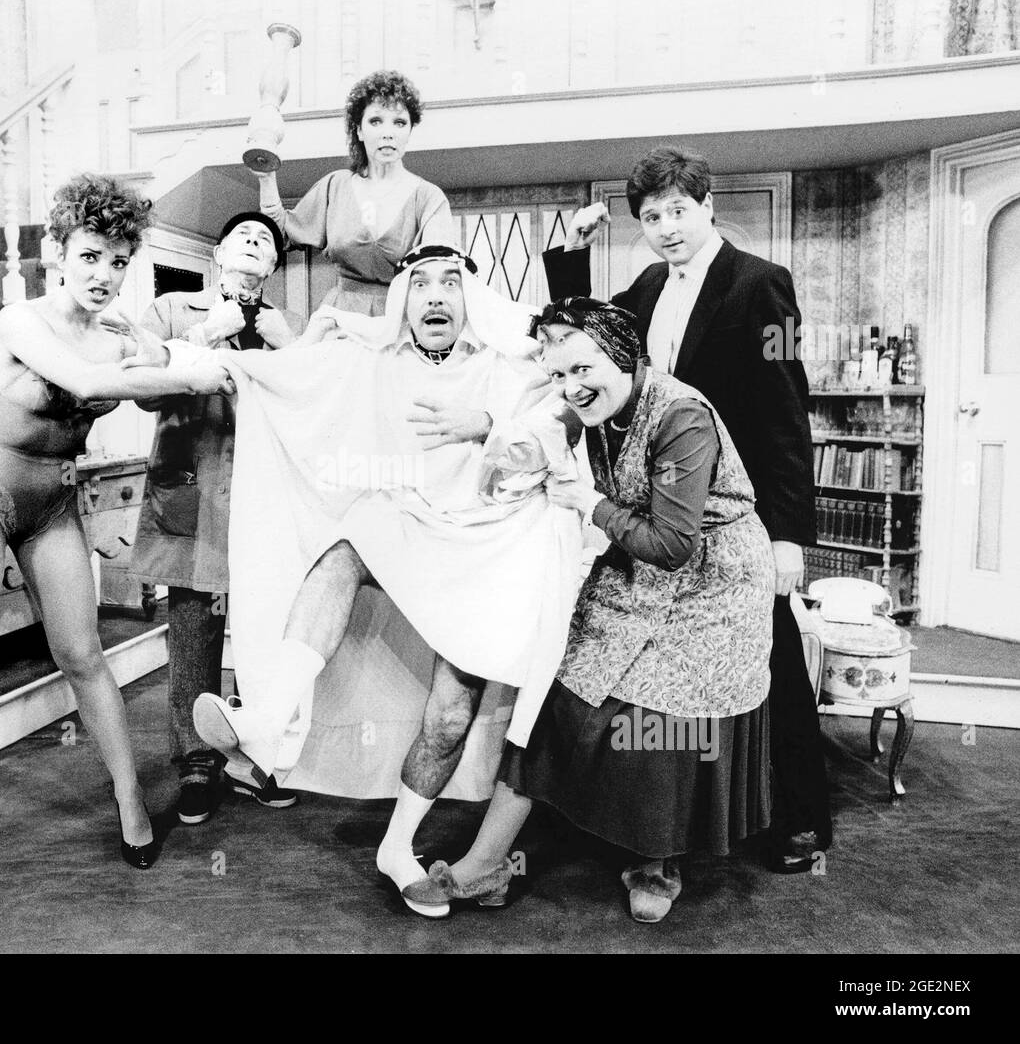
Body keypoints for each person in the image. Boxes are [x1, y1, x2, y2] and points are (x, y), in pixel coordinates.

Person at [0, 174, 234, 903]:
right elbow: (90, 385)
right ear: (59, 251)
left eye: (119, 262)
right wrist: (174, 372)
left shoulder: (120, 329)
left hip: (53, 501)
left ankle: (127, 800)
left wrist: (205, 352)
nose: (103, 275)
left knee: (85, 655)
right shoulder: (22, 321)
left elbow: (181, 352)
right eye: (90, 256)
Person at [188, 245, 582, 918]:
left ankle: (397, 849)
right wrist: (202, 357)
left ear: (470, 300)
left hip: (487, 551)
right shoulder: (373, 359)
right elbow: (285, 376)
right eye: (420, 283)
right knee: (349, 539)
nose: (435, 296)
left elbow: (576, 400)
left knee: (451, 713)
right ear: (403, 299)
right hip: (410, 527)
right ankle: (265, 717)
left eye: (450, 283)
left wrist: (489, 423)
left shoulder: (510, 363)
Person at [430, 297, 775, 921]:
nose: (572, 387)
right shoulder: (592, 403)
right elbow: (534, 434)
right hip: (635, 557)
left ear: (623, 356)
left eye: (583, 369)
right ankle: (486, 864)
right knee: (551, 695)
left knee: (659, 722)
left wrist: (589, 504)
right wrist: (487, 430)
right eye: (559, 374)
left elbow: (673, 545)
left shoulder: (682, 416)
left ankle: (656, 863)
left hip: (712, 585)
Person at [541, 146, 832, 871]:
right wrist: (572, 259)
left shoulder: (765, 284)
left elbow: (788, 409)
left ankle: (798, 814)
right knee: (658, 660)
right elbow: (588, 336)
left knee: (772, 659)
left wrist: (791, 534)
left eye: (678, 211)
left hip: (738, 515)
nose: (666, 227)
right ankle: (655, 817)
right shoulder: (644, 285)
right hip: (664, 510)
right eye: (650, 216)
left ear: (708, 207)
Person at [128, 211, 303, 826]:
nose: (255, 241)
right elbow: (143, 385)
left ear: (274, 267)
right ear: (220, 251)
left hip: (265, 497)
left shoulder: (285, 327)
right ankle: (197, 764)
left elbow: (315, 404)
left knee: (265, 632)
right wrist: (208, 331)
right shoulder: (174, 308)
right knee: (194, 626)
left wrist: (292, 349)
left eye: (266, 240)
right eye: (243, 235)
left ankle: (258, 759)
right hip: (192, 488)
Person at [256, 69, 454, 316]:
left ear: (410, 131)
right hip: (340, 320)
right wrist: (266, 177)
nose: (388, 132)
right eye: (375, 121)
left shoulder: (428, 197)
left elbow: (441, 267)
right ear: (359, 131)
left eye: (399, 122)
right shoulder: (335, 186)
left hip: (402, 321)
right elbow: (280, 231)